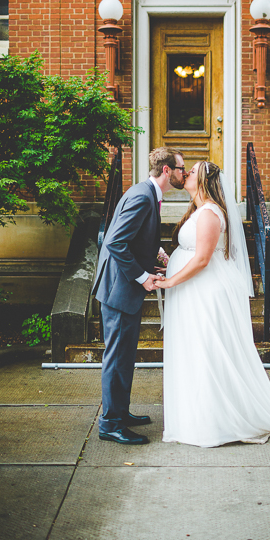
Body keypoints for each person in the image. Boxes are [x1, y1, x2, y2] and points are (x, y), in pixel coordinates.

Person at [154, 161, 270, 447]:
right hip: (192, 292)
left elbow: (203, 259)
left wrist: (170, 281)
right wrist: (171, 265)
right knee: (195, 352)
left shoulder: (210, 213)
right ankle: (199, 417)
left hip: (204, 293)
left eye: (192, 171)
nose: (186, 174)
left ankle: (215, 421)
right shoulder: (198, 210)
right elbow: (194, 251)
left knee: (208, 353)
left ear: (204, 180)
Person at [92, 147, 186, 445]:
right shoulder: (144, 196)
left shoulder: (145, 192)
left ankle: (120, 412)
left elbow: (132, 237)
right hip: (120, 289)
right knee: (117, 358)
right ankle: (110, 423)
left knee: (124, 356)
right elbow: (115, 241)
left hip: (123, 288)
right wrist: (144, 277)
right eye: (181, 168)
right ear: (167, 170)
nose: (184, 172)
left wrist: (155, 253)